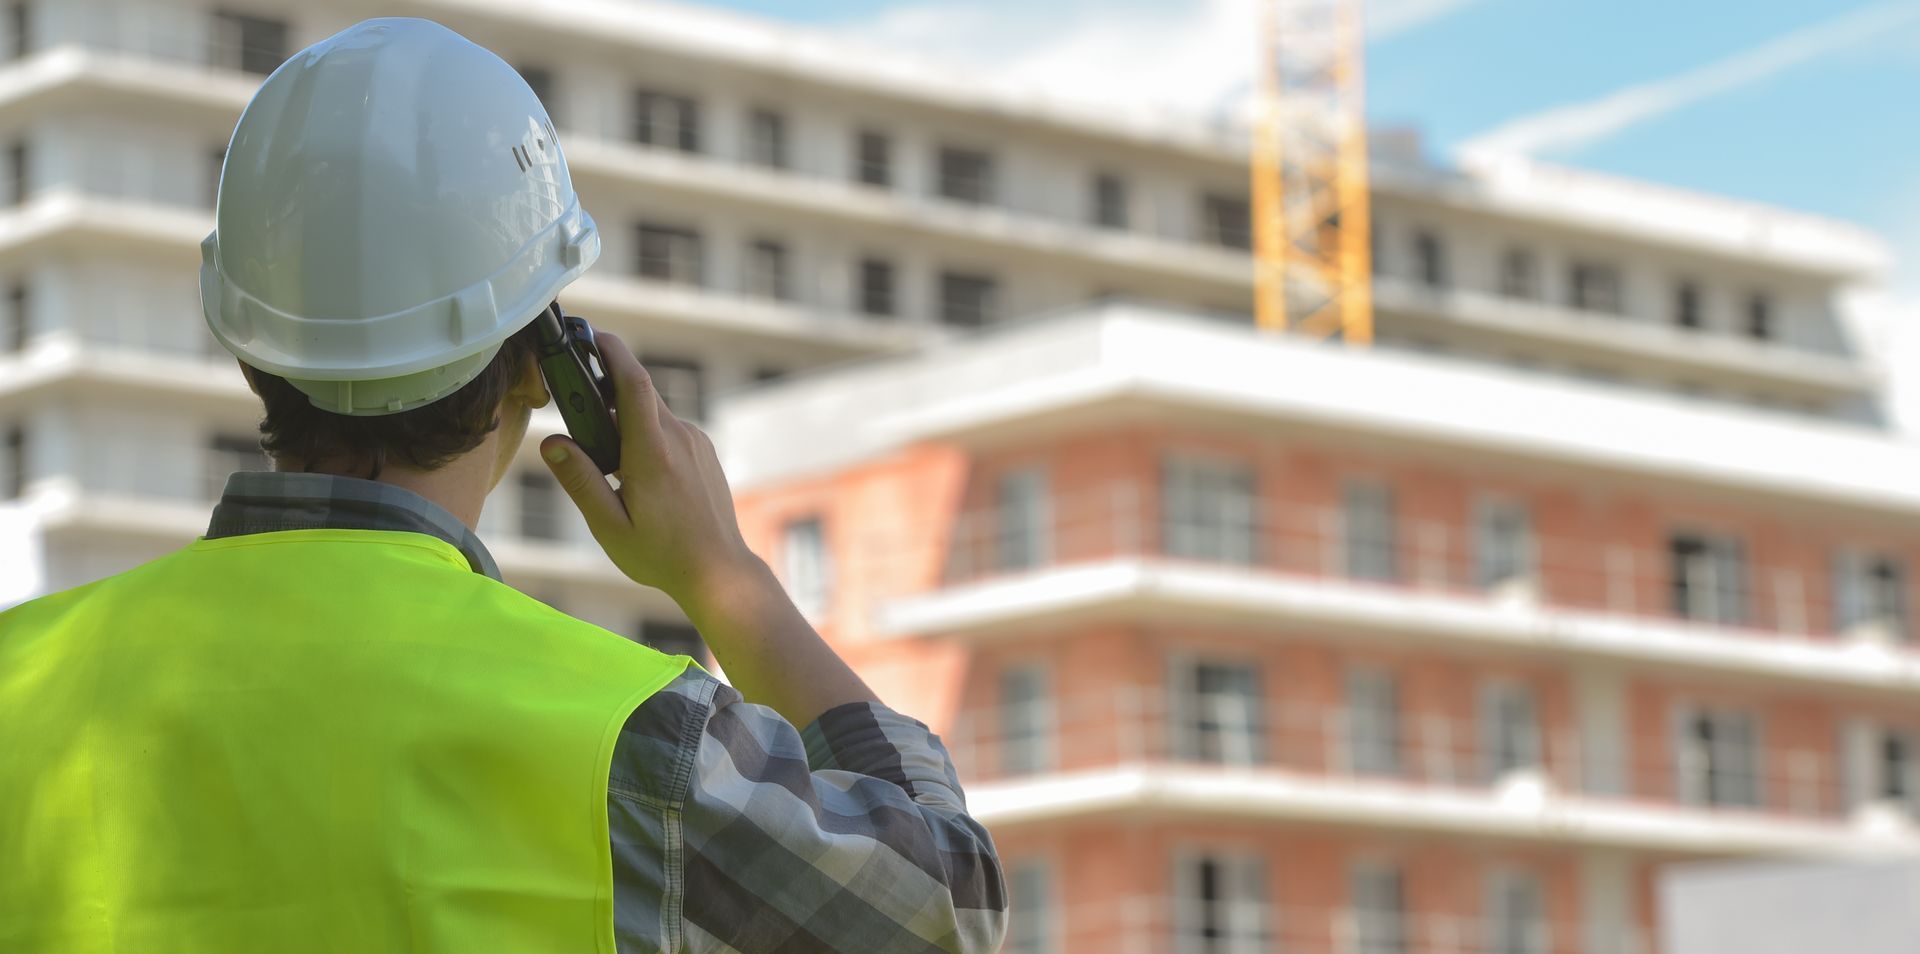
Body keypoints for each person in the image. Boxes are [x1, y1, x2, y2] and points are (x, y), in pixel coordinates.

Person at [0, 18, 1006, 954]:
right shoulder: (635, 740)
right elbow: (948, 908)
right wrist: (726, 577)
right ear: (540, 363)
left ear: (251, 350)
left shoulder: (20, 678)